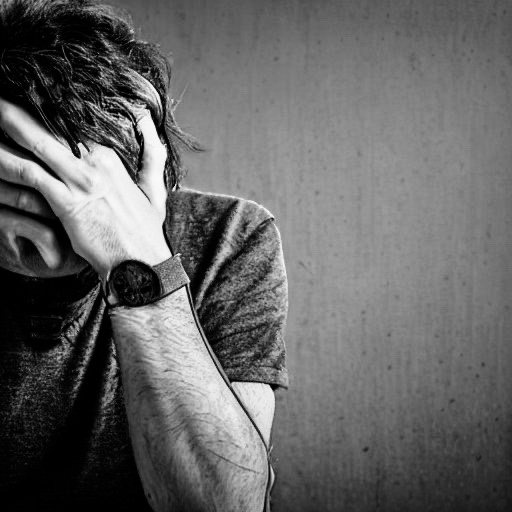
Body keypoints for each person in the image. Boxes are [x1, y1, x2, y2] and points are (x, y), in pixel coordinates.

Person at [0, 1, 288, 510]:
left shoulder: (229, 237)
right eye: (17, 191)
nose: (41, 246)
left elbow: (226, 506)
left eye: (72, 199)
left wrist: (137, 259)